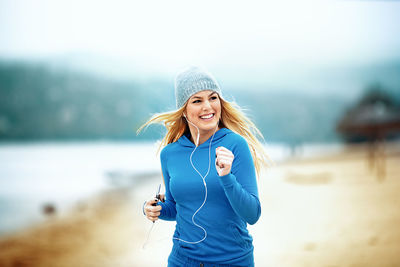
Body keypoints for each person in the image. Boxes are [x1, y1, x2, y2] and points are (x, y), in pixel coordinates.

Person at [139, 66, 268, 267]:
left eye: (213, 98)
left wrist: (226, 177)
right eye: (197, 101)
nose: (207, 106)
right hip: (182, 260)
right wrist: (153, 209)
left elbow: (252, 214)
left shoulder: (235, 145)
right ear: (184, 110)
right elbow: (176, 208)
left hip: (232, 260)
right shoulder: (169, 154)